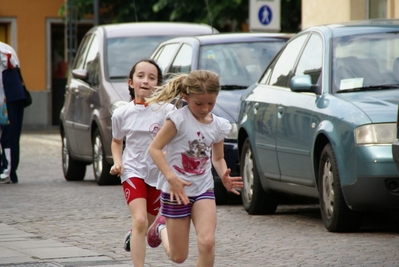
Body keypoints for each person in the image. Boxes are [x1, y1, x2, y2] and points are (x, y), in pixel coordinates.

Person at [147, 70, 244, 266]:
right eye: (199, 103)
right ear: (186, 97)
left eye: (211, 103)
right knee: (178, 256)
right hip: (176, 191)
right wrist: (171, 179)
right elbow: (155, 149)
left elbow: (218, 158)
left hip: (203, 190)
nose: (205, 108)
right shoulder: (177, 120)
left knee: (207, 242)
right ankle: (160, 228)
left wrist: (224, 176)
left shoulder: (218, 125)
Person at [109, 59, 174, 267]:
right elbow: (117, 142)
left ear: (158, 84)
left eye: (152, 77)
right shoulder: (121, 114)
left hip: (158, 174)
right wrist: (118, 163)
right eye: (141, 76)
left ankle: (134, 235)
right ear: (130, 82)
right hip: (132, 170)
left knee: (147, 223)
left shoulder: (167, 111)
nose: (146, 81)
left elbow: (176, 138)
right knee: (139, 221)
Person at [0, 42, 27, 184]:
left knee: (9, 136)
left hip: (8, 98)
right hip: (13, 96)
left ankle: (9, 171)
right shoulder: (6, 47)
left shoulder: (3, 51)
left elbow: (9, 61)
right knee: (9, 136)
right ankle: (7, 168)